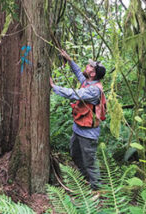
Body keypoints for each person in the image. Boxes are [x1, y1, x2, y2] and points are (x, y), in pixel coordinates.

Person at [50, 50, 106, 190]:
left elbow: (75, 94)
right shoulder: (88, 82)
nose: (86, 67)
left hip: (88, 134)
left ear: (93, 73)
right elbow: (78, 73)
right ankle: (86, 180)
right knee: (75, 154)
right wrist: (69, 59)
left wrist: (54, 87)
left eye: (89, 67)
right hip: (79, 130)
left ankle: (97, 189)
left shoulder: (94, 90)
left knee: (90, 162)